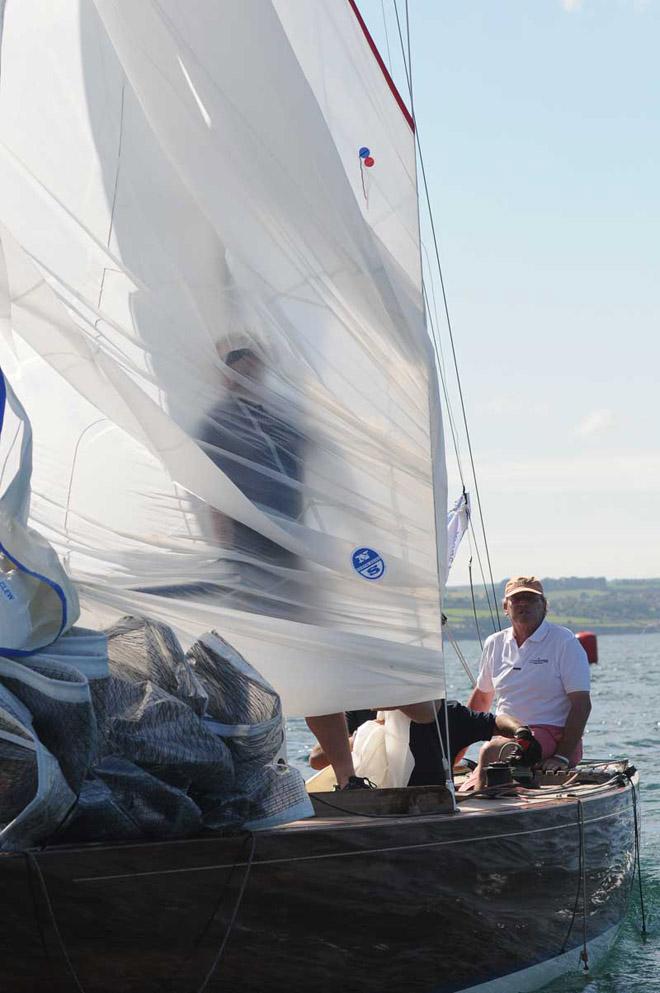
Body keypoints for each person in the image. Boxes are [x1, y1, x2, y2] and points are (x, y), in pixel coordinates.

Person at [200, 345, 365, 790]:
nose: (247, 379)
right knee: (248, 678)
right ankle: (262, 776)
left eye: (254, 371)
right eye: (238, 373)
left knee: (316, 673)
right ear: (224, 377)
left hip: (293, 562)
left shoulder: (286, 422)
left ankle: (347, 777)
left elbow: (327, 469)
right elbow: (211, 496)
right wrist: (228, 560)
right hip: (246, 566)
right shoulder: (215, 424)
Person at [464, 576, 591, 790]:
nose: (523, 603)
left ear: (544, 606)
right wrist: (454, 747)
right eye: (517, 599)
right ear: (506, 607)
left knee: (490, 751)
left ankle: (485, 811)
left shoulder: (564, 642)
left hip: (551, 734)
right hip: (507, 736)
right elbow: (482, 697)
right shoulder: (494, 643)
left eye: (531, 599)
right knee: (486, 755)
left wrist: (562, 757)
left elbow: (581, 704)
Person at [309, 700, 532, 787]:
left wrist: (520, 732)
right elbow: (317, 759)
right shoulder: (363, 709)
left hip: (429, 806)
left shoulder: (447, 713)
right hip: (366, 803)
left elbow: (495, 722)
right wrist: (365, 735)